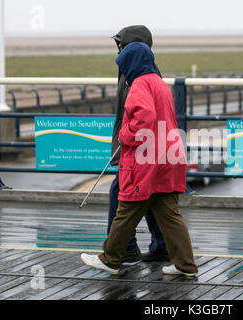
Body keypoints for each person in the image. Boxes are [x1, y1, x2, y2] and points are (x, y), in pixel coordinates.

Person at [81, 42, 198, 277]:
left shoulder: (139, 85)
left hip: (147, 160)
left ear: (131, 63)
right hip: (168, 157)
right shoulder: (159, 83)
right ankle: (186, 265)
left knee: (127, 209)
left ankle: (110, 259)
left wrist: (124, 135)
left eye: (123, 63)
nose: (123, 69)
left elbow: (144, 119)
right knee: (169, 214)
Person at [108, 25, 169, 264]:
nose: (118, 48)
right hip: (146, 147)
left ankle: (124, 249)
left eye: (121, 43)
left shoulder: (137, 76)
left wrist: (124, 142)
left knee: (121, 193)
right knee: (155, 196)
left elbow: (140, 118)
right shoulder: (140, 71)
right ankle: (163, 246)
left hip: (138, 149)